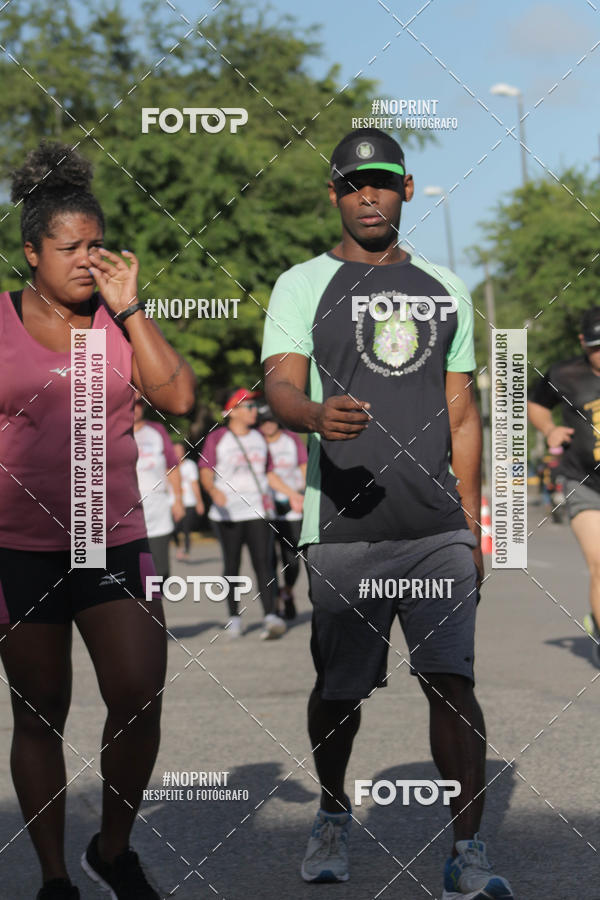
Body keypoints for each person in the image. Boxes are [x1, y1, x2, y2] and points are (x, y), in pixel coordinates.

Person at [262, 128, 513, 899]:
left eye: (380, 181)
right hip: (343, 533)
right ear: (332, 194)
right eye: (350, 184)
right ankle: (334, 810)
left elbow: (464, 414)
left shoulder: (446, 287)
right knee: (339, 692)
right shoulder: (302, 283)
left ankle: (466, 853)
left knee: (452, 685)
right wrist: (311, 414)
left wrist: (474, 524)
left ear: (406, 187)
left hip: (436, 530)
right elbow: (279, 384)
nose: (365, 195)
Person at [0, 141, 196, 900]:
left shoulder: (121, 322)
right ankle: (54, 877)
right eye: (68, 247)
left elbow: (179, 400)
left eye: (95, 245)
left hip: (109, 535)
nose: (86, 260)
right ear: (30, 251)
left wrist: (134, 307)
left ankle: (112, 849)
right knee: (40, 709)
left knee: (139, 688)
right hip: (19, 543)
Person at [529, 307, 600, 663]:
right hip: (583, 481)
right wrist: (549, 428)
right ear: (582, 343)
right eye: (595, 347)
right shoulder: (564, 373)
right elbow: (535, 404)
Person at [199, 388, 298, 640]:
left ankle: (270, 616)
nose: (255, 411)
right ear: (232, 411)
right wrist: (212, 490)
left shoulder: (259, 438)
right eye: (248, 407)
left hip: (259, 510)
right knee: (232, 565)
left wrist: (293, 494)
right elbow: (205, 471)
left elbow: (269, 474)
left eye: (255, 406)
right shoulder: (218, 438)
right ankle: (234, 617)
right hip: (227, 513)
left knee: (264, 563)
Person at [257, 403, 306, 619]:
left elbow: (304, 467)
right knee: (268, 561)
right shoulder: (255, 440)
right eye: (263, 422)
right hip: (264, 507)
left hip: (291, 506)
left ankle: (287, 591)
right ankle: (274, 600)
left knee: (292, 560)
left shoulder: (291, 440)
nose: (267, 425)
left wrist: (303, 494)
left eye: (270, 420)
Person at [134, 396, 185, 579]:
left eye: (139, 404)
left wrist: (178, 500)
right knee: (133, 570)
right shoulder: (110, 431)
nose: (135, 408)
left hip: (157, 506)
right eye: (131, 404)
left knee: (160, 570)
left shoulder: (157, 431)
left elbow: (172, 467)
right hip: (125, 510)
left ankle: (155, 604)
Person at [171, 442, 205, 560]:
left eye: (180, 450)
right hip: (172, 502)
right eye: (175, 450)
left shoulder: (190, 465)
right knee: (173, 528)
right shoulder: (168, 465)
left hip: (189, 502)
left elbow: (194, 484)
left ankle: (186, 550)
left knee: (186, 528)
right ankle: (179, 546)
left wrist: (199, 502)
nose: (177, 453)